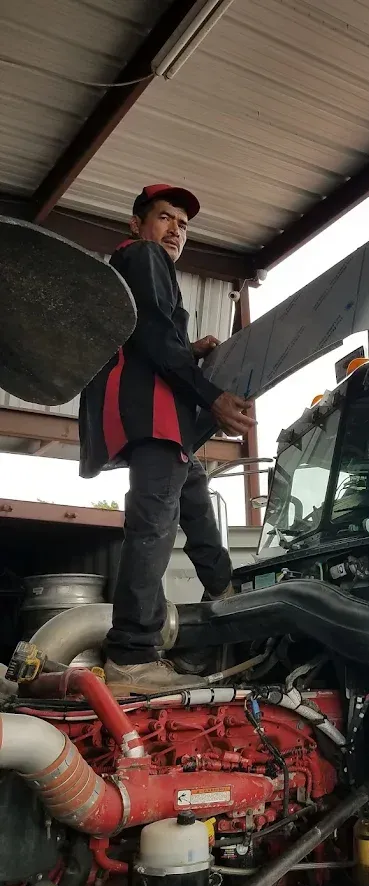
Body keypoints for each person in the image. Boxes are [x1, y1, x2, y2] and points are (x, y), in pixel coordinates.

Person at [79, 184, 255, 694]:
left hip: (165, 419)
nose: (176, 230)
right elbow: (155, 335)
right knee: (153, 525)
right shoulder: (144, 255)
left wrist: (190, 349)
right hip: (154, 415)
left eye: (183, 224)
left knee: (194, 497)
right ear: (137, 225)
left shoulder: (138, 268)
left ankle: (226, 593)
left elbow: (145, 336)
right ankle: (132, 655)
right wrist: (212, 396)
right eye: (165, 217)